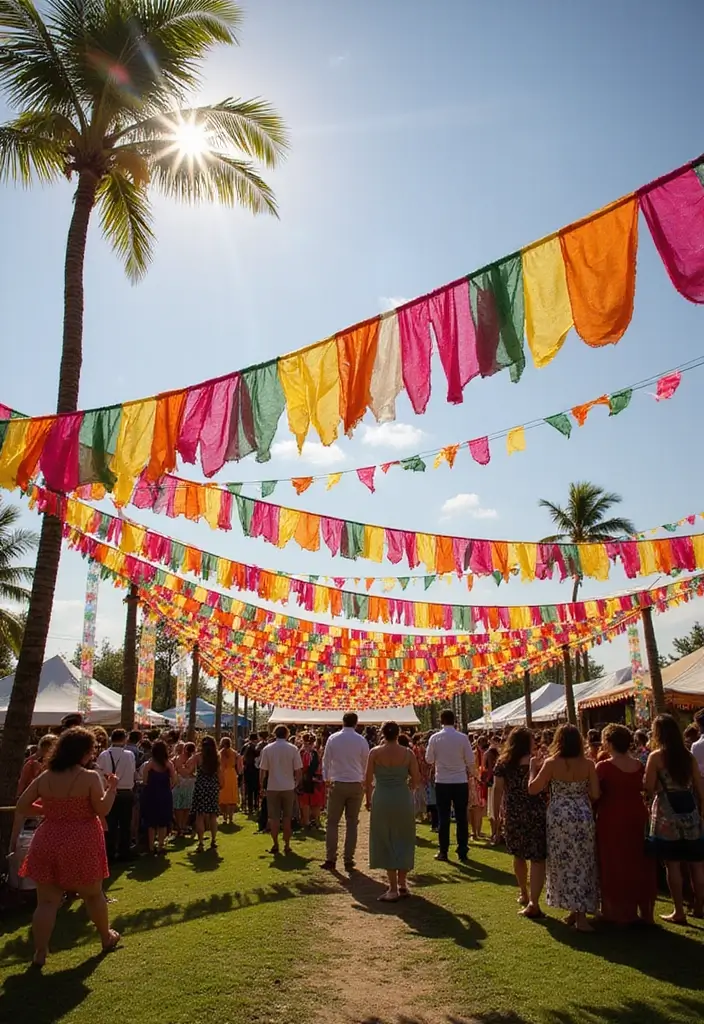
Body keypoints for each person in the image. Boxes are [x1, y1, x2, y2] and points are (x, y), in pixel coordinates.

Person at [10, 727, 120, 966]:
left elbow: (21, 806)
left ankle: (40, 952)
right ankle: (105, 937)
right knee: (93, 895)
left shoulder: (45, 776)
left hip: (48, 837)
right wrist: (112, 788)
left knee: (47, 902)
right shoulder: (89, 777)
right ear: (83, 752)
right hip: (82, 839)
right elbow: (102, 809)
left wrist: (49, 810)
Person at [528, 724, 600, 932]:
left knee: (563, 864)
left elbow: (533, 789)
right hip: (582, 814)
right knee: (583, 862)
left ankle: (576, 913)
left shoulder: (551, 763)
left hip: (559, 816)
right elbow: (595, 793)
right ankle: (578, 913)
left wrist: (533, 768)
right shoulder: (588, 764)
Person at [644, 713, 704, 923]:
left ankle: (679, 910)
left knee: (673, 864)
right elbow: (699, 787)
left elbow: (649, 787)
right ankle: (699, 906)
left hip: (666, 812)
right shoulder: (688, 757)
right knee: (696, 863)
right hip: (689, 809)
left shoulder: (656, 757)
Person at [595, 723, 656, 926]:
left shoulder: (603, 766)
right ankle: (644, 910)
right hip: (637, 814)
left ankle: (614, 910)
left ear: (610, 743)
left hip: (612, 815)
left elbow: (595, 794)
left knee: (613, 860)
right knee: (637, 860)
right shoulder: (638, 765)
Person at [493, 727, 548, 919]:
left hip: (514, 811)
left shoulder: (503, 763)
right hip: (535, 810)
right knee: (537, 856)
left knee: (518, 854)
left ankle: (523, 892)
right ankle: (534, 899)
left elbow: (498, 790)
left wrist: (495, 814)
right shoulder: (537, 763)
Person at [366, 721, 420, 902]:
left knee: (385, 836)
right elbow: (417, 779)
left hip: (382, 797)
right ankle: (403, 883)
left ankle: (393, 887)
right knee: (404, 836)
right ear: (398, 734)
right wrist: (408, 789)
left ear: (382, 733)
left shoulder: (374, 753)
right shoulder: (408, 753)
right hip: (402, 798)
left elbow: (367, 780)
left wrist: (367, 800)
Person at [322, 712, 370, 871]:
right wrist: (364, 780)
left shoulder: (333, 738)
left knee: (332, 822)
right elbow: (366, 762)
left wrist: (326, 778)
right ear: (356, 723)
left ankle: (330, 858)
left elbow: (326, 759)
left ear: (342, 722)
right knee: (352, 823)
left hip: (338, 782)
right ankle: (348, 859)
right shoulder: (361, 740)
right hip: (356, 783)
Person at [425, 708, 474, 863]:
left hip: (443, 781)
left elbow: (429, 759)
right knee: (461, 817)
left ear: (441, 721)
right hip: (460, 781)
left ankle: (443, 851)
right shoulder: (462, 738)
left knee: (443, 817)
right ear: (455, 721)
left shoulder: (435, 738)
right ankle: (462, 850)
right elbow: (470, 760)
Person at [259, 725, 303, 855]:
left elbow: (263, 771)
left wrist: (261, 786)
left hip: (273, 787)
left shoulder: (268, 749)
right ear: (287, 734)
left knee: (274, 818)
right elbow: (298, 770)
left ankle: (275, 844)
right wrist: (296, 784)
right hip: (288, 786)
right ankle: (287, 845)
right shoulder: (293, 749)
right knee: (287, 818)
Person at [97, 728, 137, 862]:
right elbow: (132, 771)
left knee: (110, 824)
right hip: (126, 791)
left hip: (109, 791)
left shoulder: (103, 755)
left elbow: (100, 774)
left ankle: (109, 852)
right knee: (125, 824)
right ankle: (124, 852)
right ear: (124, 738)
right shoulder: (129, 755)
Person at [141, 739, 176, 855]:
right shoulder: (168, 764)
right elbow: (175, 780)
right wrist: (168, 787)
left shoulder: (150, 764)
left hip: (151, 795)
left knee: (151, 823)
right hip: (164, 795)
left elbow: (144, 780)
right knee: (163, 821)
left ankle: (151, 847)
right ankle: (161, 845)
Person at [190, 736, 223, 852]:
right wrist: (221, 785)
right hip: (213, 787)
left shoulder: (198, 757)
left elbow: (188, 769)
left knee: (200, 815)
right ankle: (213, 840)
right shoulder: (217, 757)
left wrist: (195, 775)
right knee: (213, 816)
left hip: (201, 787)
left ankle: (200, 843)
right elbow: (220, 774)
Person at [298, 732, 325, 829]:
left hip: (305, 778)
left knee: (305, 801)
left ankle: (306, 821)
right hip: (316, 779)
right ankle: (316, 821)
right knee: (315, 801)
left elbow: (300, 768)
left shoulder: (302, 753)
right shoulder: (316, 752)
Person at [172, 741, 197, 835]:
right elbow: (189, 771)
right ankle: (182, 826)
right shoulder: (193, 759)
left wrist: (183, 770)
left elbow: (182, 771)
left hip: (182, 783)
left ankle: (181, 826)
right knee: (185, 806)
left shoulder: (181, 758)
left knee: (181, 806)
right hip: (188, 782)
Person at [219, 737, 240, 824]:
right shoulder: (234, 753)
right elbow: (238, 764)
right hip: (232, 774)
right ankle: (231, 817)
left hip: (223, 773)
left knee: (223, 796)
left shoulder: (219, 753)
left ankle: (224, 817)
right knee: (231, 795)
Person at [242, 734, 260, 816]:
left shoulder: (245, 746)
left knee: (248, 790)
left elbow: (242, 757)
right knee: (255, 789)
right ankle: (255, 805)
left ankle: (249, 806)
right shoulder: (256, 747)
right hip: (255, 770)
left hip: (247, 770)